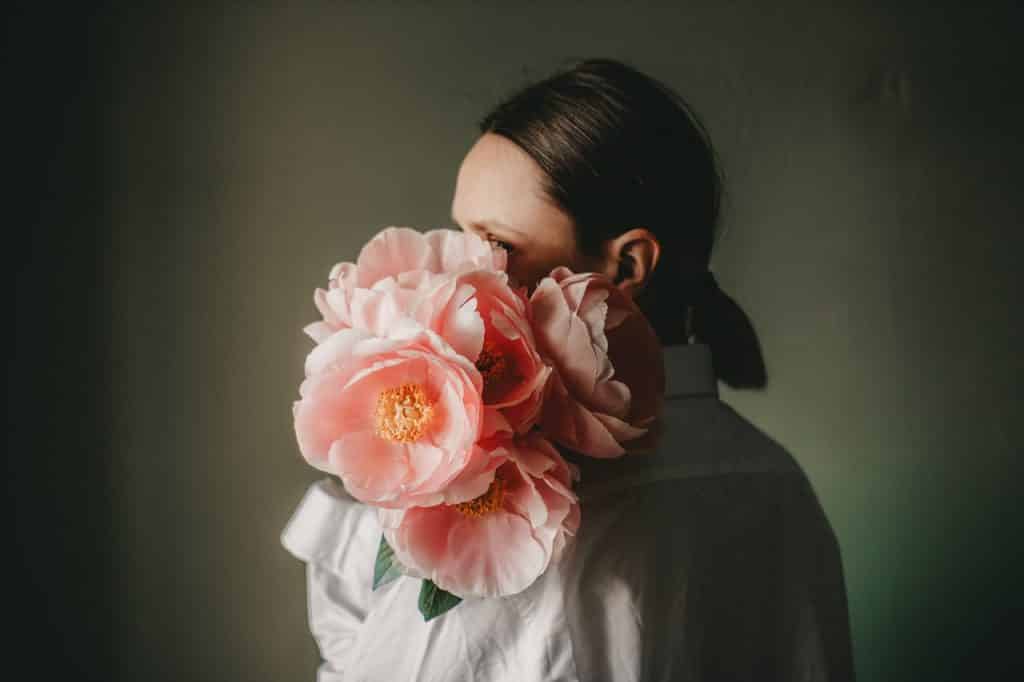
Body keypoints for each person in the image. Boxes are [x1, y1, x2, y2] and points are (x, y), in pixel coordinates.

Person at [282, 57, 856, 681]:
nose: (457, 272)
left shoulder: (523, 508)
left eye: (496, 244)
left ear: (628, 267)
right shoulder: (775, 483)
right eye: (458, 234)